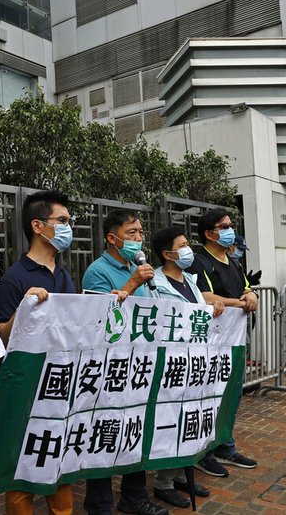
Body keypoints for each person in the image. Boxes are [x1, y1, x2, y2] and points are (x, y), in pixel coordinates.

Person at [0, 190, 76, 515]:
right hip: (26, 392)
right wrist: (22, 312)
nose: (68, 227)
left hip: (61, 386)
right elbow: (1, 337)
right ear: (38, 226)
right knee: (23, 470)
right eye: (63, 221)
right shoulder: (15, 278)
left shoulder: (64, 275)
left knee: (60, 465)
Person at [81, 210, 167, 515]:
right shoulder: (98, 271)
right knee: (103, 434)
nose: (138, 238)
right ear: (112, 238)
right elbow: (98, 317)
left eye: (141, 233)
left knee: (134, 429)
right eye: (131, 233)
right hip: (109, 367)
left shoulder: (141, 269)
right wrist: (131, 284)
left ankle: (134, 497)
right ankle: (99, 505)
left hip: (138, 364)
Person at [149, 226, 223, 509]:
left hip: (194, 363)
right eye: (181, 245)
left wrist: (213, 307)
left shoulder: (189, 280)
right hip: (171, 365)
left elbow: (200, 307)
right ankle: (163, 482)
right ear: (167, 254)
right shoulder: (154, 283)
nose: (187, 249)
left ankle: (180, 474)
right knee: (170, 423)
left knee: (189, 421)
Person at [187, 208, 258, 478]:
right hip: (210, 342)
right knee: (209, 395)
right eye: (224, 226)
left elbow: (245, 288)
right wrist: (241, 303)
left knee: (231, 394)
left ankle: (225, 446)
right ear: (209, 233)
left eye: (230, 225)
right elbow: (203, 296)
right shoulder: (199, 261)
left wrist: (251, 296)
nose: (230, 230)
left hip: (235, 340)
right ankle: (204, 452)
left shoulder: (233, 261)